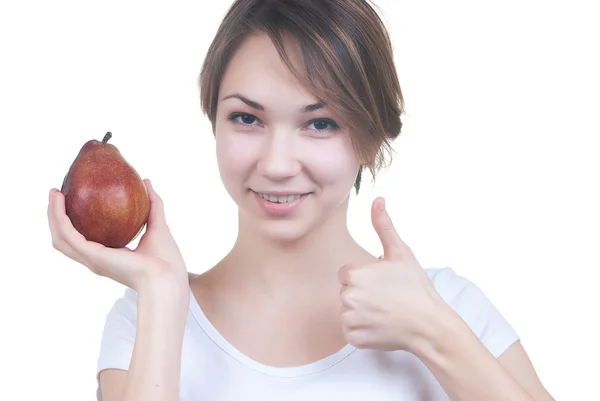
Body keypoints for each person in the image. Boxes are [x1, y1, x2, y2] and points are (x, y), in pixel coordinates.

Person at [48, 0, 555, 400]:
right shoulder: (145, 318)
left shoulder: (451, 306)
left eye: (320, 123)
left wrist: (434, 333)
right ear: (214, 123)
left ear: (371, 137)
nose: (277, 163)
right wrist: (163, 295)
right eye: (247, 118)